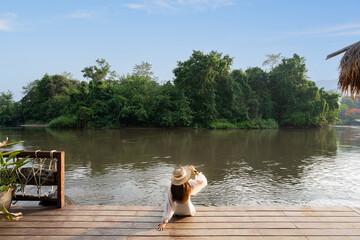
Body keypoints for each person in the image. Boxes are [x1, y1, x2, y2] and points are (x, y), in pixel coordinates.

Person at [157, 165, 207, 231]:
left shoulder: (171, 188)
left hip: (176, 212)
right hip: (189, 212)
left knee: (169, 204)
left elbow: (168, 204)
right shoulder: (190, 185)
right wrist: (194, 171)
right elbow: (202, 181)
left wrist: (164, 222)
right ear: (185, 177)